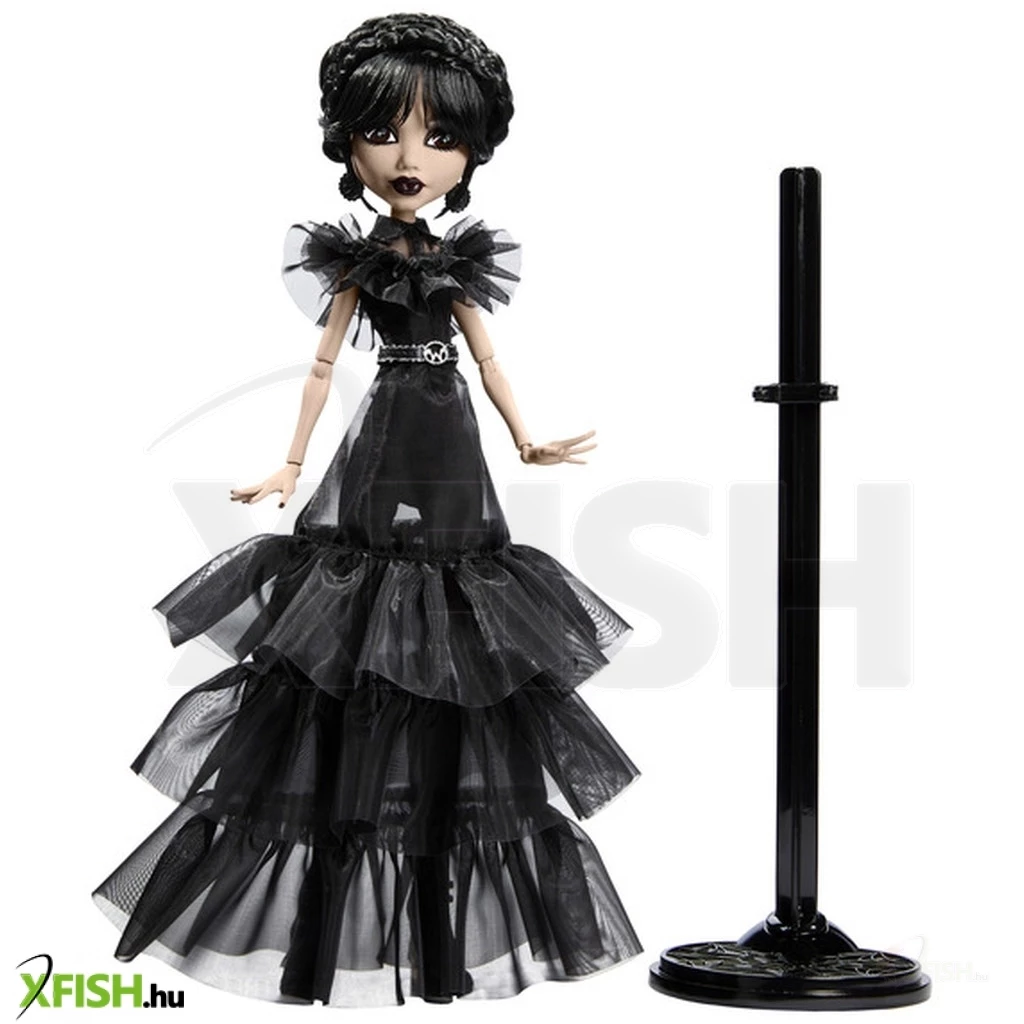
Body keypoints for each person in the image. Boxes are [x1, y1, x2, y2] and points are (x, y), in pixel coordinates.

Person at [93, 13, 642, 1006]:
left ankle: (436, 941)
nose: (409, 159)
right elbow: (317, 366)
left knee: (460, 645)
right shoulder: (356, 265)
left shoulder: (460, 262)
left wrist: (526, 438)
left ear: (470, 155)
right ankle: (319, 940)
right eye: (385, 133)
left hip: (453, 451)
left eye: (440, 138)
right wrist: (289, 463)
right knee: (353, 648)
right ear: (346, 145)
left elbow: (488, 357)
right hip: (384, 439)